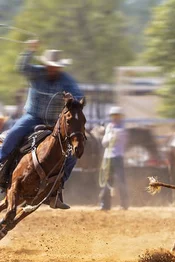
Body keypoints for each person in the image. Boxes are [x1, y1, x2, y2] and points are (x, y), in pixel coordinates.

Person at [0, 40, 84, 209]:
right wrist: (29, 50)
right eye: (50, 65)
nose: (53, 68)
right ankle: (1, 165)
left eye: (56, 66)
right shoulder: (36, 73)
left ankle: (57, 188)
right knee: (13, 135)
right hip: (33, 116)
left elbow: (78, 96)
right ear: (45, 65)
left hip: (54, 123)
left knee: (72, 154)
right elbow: (21, 67)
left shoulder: (66, 80)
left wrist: (72, 99)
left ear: (60, 67)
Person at [98, 107, 129, 211]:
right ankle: (105, 205)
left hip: (117, 157)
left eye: (117, 116)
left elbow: (114, 140)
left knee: (121, 181)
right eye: (113, 116)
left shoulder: (122, 130)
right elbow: (104, 143)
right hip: (108, 157)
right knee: (106, 181)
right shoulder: (109, 127)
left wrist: (110, 137)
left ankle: (124, 205)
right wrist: (109, 137)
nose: (115, 118)